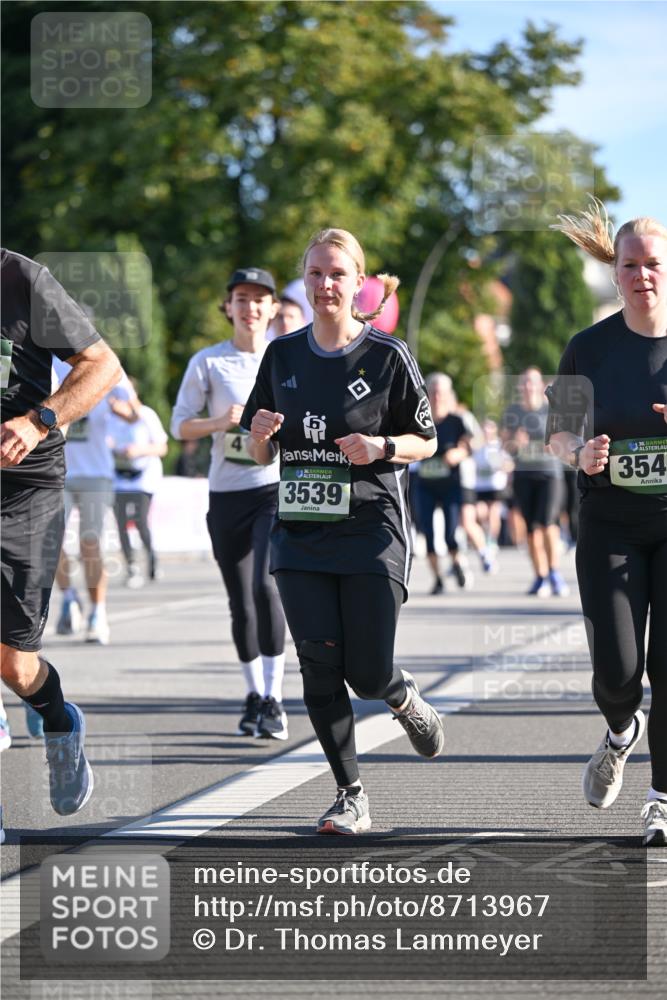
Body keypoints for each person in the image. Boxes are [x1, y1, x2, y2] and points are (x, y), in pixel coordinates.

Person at [242, 228, 444, 835]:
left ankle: (401, 694)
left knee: (367, 672)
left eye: (337, 275)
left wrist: (382, 444)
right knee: (320, 666)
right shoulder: (281, 356)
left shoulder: (388, 355)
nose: (325, 285)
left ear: (360, 283)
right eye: (314, 275)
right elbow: (257, 453)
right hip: (299, 532)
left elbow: (428, 441)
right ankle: (349, 793)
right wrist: (258, 433)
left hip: (372, 530)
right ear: (302, 284)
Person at [546, 201, 667, 847]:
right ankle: (620, 730)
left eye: (652, 264)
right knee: (617, 674)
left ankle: (661, 798)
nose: (641, 275)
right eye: (630, 265)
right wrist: (580, 452)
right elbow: (556, 434)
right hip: (610, 526)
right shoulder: (587, 347)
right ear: (613, 272)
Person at [1, 248, 121, 835]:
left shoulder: (21, 279)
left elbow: (100, 365)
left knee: (15, 664)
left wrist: (37, 420)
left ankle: (58, 719)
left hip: (23, 490)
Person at [171, 267, 288, 740]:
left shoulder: (286, 358)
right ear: (229, 307)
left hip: (272, 488)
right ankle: (254, 694)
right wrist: (220, 421)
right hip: (225, 495)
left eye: (260, 299)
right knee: (240, 602)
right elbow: (179, 426)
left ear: (273, 308)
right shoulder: (209, 362)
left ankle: (276, 697)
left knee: (267, 588)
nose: (251, 307)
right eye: (242, 298)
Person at [52, 357, 133, 644]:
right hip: (55, 470)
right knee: (50, 542)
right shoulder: (48, 361)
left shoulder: (105, 361)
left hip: (96, 473)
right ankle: (69, 598)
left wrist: (123, 411)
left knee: (90, 541)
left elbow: (134, 411)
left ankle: (98, 613)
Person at [501, 367, 568, 597]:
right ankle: (540, 576)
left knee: (548, 523)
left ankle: (555, 573)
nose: (528, 387)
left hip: (550, 474)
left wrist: (548, 445)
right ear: (520, 387)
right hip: (523, 475)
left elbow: (562, 444)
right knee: (530, 529)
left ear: (541, 386)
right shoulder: (513, 412)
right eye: (524, 383)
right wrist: (514, 443)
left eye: (533, 383)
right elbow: (505, 446)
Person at [416, 373, 472, 594]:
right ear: (427, 394)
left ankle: (457, 562)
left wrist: (457, 453)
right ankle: (438, 578)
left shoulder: (456, 421)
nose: (437, 396)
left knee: (449, 533)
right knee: (428, 533)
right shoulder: (420, 418)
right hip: (425, 484)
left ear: (448, 395)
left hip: (450, 485)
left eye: (441, 392)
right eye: (433, 392)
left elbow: (468, 446)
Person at [109, 380, 168, 588]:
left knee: (140, 520)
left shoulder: (146, 415)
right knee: (121, 522)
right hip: (118, 476)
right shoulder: (109, 417)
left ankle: (151, 557)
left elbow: (162, 448)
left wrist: (139, 450)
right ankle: (131, 566)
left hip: (144, 477)